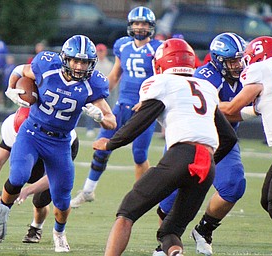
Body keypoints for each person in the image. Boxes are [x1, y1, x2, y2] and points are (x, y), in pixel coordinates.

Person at [93, 38, 237, 256]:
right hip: (207, 164)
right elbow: (228, 137)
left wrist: (111, 142)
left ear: (161, 64)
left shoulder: (161, 83)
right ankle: (175, 253)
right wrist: (207, 161)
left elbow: (140, 122)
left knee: (126, 212)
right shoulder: (205, 87)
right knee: (170, 232)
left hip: (181, 155)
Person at [2, 35, 116, 252]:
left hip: (60, 142)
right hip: (32, 132)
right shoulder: (47, 65)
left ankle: (59, 233)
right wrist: (10, 87)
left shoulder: (93, 84)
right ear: (65, 58)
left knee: (62, 200)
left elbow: (112, 121)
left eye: (85, 62)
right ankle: (0, 217)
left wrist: (100, 117)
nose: (80, 66)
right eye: (76, 60)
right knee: (18, 176)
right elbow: (20, 69)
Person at [152, 32, 247, 256]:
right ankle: (165, 242)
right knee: (169, 197)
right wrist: (249, 110)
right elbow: (220, 109)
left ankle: (204, 230)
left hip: (223, 140)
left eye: (240, 59)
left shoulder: (248, 74)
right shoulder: (205, 76)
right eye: (232, 61)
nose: (237, 65)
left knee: (234, 185)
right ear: (217, 60)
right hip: (190, 136)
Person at [70, 6, 162, 208]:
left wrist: (149, 99)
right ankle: (87, 191)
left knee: (139, 156)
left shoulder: (158, 48)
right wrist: (96, 97)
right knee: (101, 145)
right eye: (137, 23)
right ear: (130, 25)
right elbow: (114, 75)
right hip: (121, 106)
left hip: (144, 109)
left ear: (151, 26)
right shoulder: (123, 45)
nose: (140, 27)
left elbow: (162, 80)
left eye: (144, 23)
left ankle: (141, 198)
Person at [219, 36, 272, 256]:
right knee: (268, 200)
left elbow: (231, 109)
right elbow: (246, 113)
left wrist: (204, 105)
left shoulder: (262, 69)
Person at [0, 106, 79, 244]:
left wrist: (28, 190)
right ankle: (0, 218)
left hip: (55, 145)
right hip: (31, 153)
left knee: (41, 200)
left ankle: (37, 228)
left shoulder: (62, 133)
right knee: (14, 182)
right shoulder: (12, 127)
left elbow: (53, 178)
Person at [86, 43, 115, 137]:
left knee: (106, 111)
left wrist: (108, 89)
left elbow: (111, 78)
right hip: (92, 91)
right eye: (98, 51)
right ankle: (89, 128)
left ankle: (103, 129)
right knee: (90, 111)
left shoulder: (109, 64)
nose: (100, 53)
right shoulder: (93, 63)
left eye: (101, 51)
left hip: (104, 90)